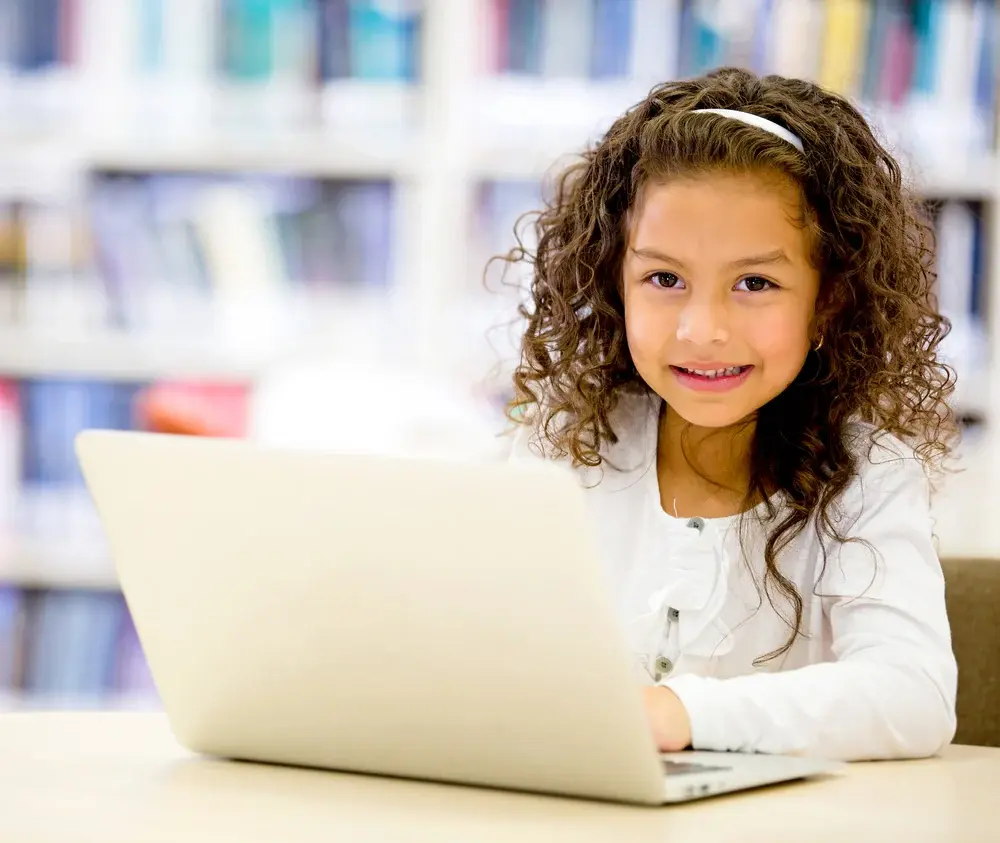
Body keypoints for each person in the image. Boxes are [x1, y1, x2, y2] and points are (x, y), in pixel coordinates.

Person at [502, 67, 959, 762]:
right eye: (664, 279)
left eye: (755, 283)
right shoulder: (565, 445)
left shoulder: (869, 478)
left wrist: (679, 711)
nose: (701, 329)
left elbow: (913, 695)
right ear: (613, 284)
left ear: (828, 302)